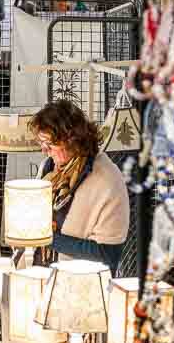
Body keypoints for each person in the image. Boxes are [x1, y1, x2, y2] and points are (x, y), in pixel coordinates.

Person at [29, 100, 130, 273]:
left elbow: (108, 255)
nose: (45, 151)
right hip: (44, 275)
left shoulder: (107, 181)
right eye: (42, 144)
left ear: (71, 140)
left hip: (83, 284)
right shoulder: (50, 168)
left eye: (50, 144)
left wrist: (49, 239)